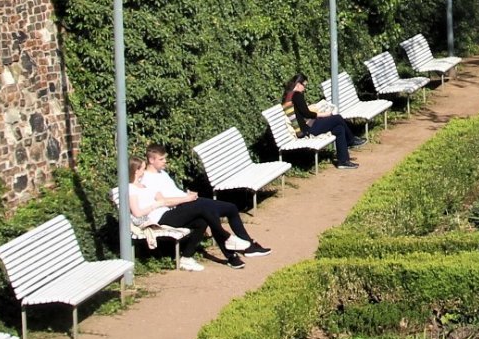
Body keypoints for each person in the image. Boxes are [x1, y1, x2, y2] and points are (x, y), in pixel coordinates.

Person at [127, 144, 271, 269]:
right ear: (151, 160)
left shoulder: (161, 174)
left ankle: (243, 246)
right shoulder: (145, 179)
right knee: (206, 212)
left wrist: (186, 194)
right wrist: (185, 198)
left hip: (182, 203)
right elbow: (160, 201)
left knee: (230, 208)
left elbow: (163, 195)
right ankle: (231, 249)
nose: (165, 161)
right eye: (161, 159)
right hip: (174, 209)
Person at [282, 75, 359, 168]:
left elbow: (301, 116)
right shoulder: (297, 95)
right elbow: (306, 114)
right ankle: (351, 140)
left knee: (339, 128)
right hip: (307, 131)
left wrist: (312, 119)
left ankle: (343, 161)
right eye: (304, 86)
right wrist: (323, 114)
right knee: (337, 118)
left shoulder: (289, 96)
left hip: (307, 127)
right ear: (298, 84)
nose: (304, 89)